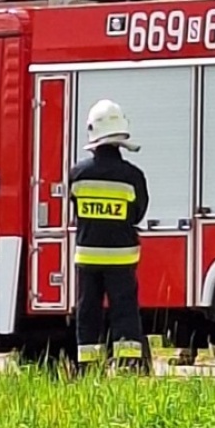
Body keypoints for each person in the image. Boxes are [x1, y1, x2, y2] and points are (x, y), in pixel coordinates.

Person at [69, 99, 150, 371]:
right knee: (124, 311)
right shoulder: (133, 176)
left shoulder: (77, 175)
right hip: (122, 258)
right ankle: (128, 366)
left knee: (88, 311)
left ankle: (87, 368)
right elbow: (138, 212)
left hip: (88, 258)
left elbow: (74, 210)